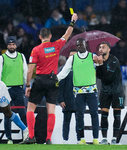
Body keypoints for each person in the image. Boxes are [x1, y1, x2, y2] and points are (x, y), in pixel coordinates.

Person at [20, 13, 78, 144]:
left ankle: (31, 137)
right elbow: (67, 35)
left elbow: (30, 70)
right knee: (51, 111)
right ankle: (48, 139)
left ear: (40, 37)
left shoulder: (36, 50)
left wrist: (28, 85)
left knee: (30, 109)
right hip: (53, 80)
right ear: (50, 36)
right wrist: (72, 22)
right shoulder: (56, 45)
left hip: (40, 80)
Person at [57, 38, 99, 145]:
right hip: (79, 92)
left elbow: (100, 67)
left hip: (91, 90)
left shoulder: (92, 56)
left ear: (86, 45)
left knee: (94, 114)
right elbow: (64, 73)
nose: (80, 46)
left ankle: (96, 139)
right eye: (78, 45)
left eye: (81, 44)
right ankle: (81, 139)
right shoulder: (72, 59)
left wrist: (100, 62)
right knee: (80, 115)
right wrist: (54, 79)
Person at [0, 36, 28, 144]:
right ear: (7, 45)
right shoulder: (2, 58)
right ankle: (9, 138)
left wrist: (27, 86)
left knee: (23, 113)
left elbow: (25, 73)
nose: (11, 46)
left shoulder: (21, 56)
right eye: (9, 44)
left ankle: (26, 136)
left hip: (19, 89)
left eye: (13, 44)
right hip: (6, 90)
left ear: (16, 45)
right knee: (7, 115)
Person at [95, 42, 124, 145]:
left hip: (117, 91)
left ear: (109, 49)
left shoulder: (114, 60)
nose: (101, 49)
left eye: (103, 47)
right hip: (105, 91)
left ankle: (114, 139)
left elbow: (107, 77)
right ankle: (104, 138)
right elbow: (98, 76)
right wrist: (98, 65)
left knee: (117, 115)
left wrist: (100, 64)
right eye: (99, 47)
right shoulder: (99, 61)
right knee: (104, 115)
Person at [57, 49, 79, 144]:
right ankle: (65, 139)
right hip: (67, 99)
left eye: (74, 55)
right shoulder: (64, 69)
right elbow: (60, 87)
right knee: (66, 121)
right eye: (70, 56)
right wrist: (60, 100)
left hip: (79, 100)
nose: (72, 58)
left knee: (79, 122)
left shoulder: (82, 69)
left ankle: (80, 139)